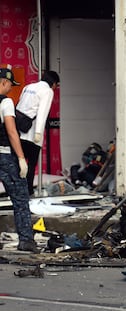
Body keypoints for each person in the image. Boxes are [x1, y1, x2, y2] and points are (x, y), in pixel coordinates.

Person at [0, 67, 40, 253]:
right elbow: (11, 131)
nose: (10, 90)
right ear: (3, 82)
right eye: (10, 85)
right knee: (20, 198)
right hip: (5, 156)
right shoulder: (6, 102)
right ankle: (25, 241)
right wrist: (21, 158)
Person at [16, 70, 60, 196]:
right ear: (53, 84)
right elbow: (42, 113)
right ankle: (27, 191)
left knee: (18, 163)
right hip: (32, 134)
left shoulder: (28, 87)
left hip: (19, 131)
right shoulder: (47, 91)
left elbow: (19, 105)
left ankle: (16, 191)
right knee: (30, 165)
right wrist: (39, 133)